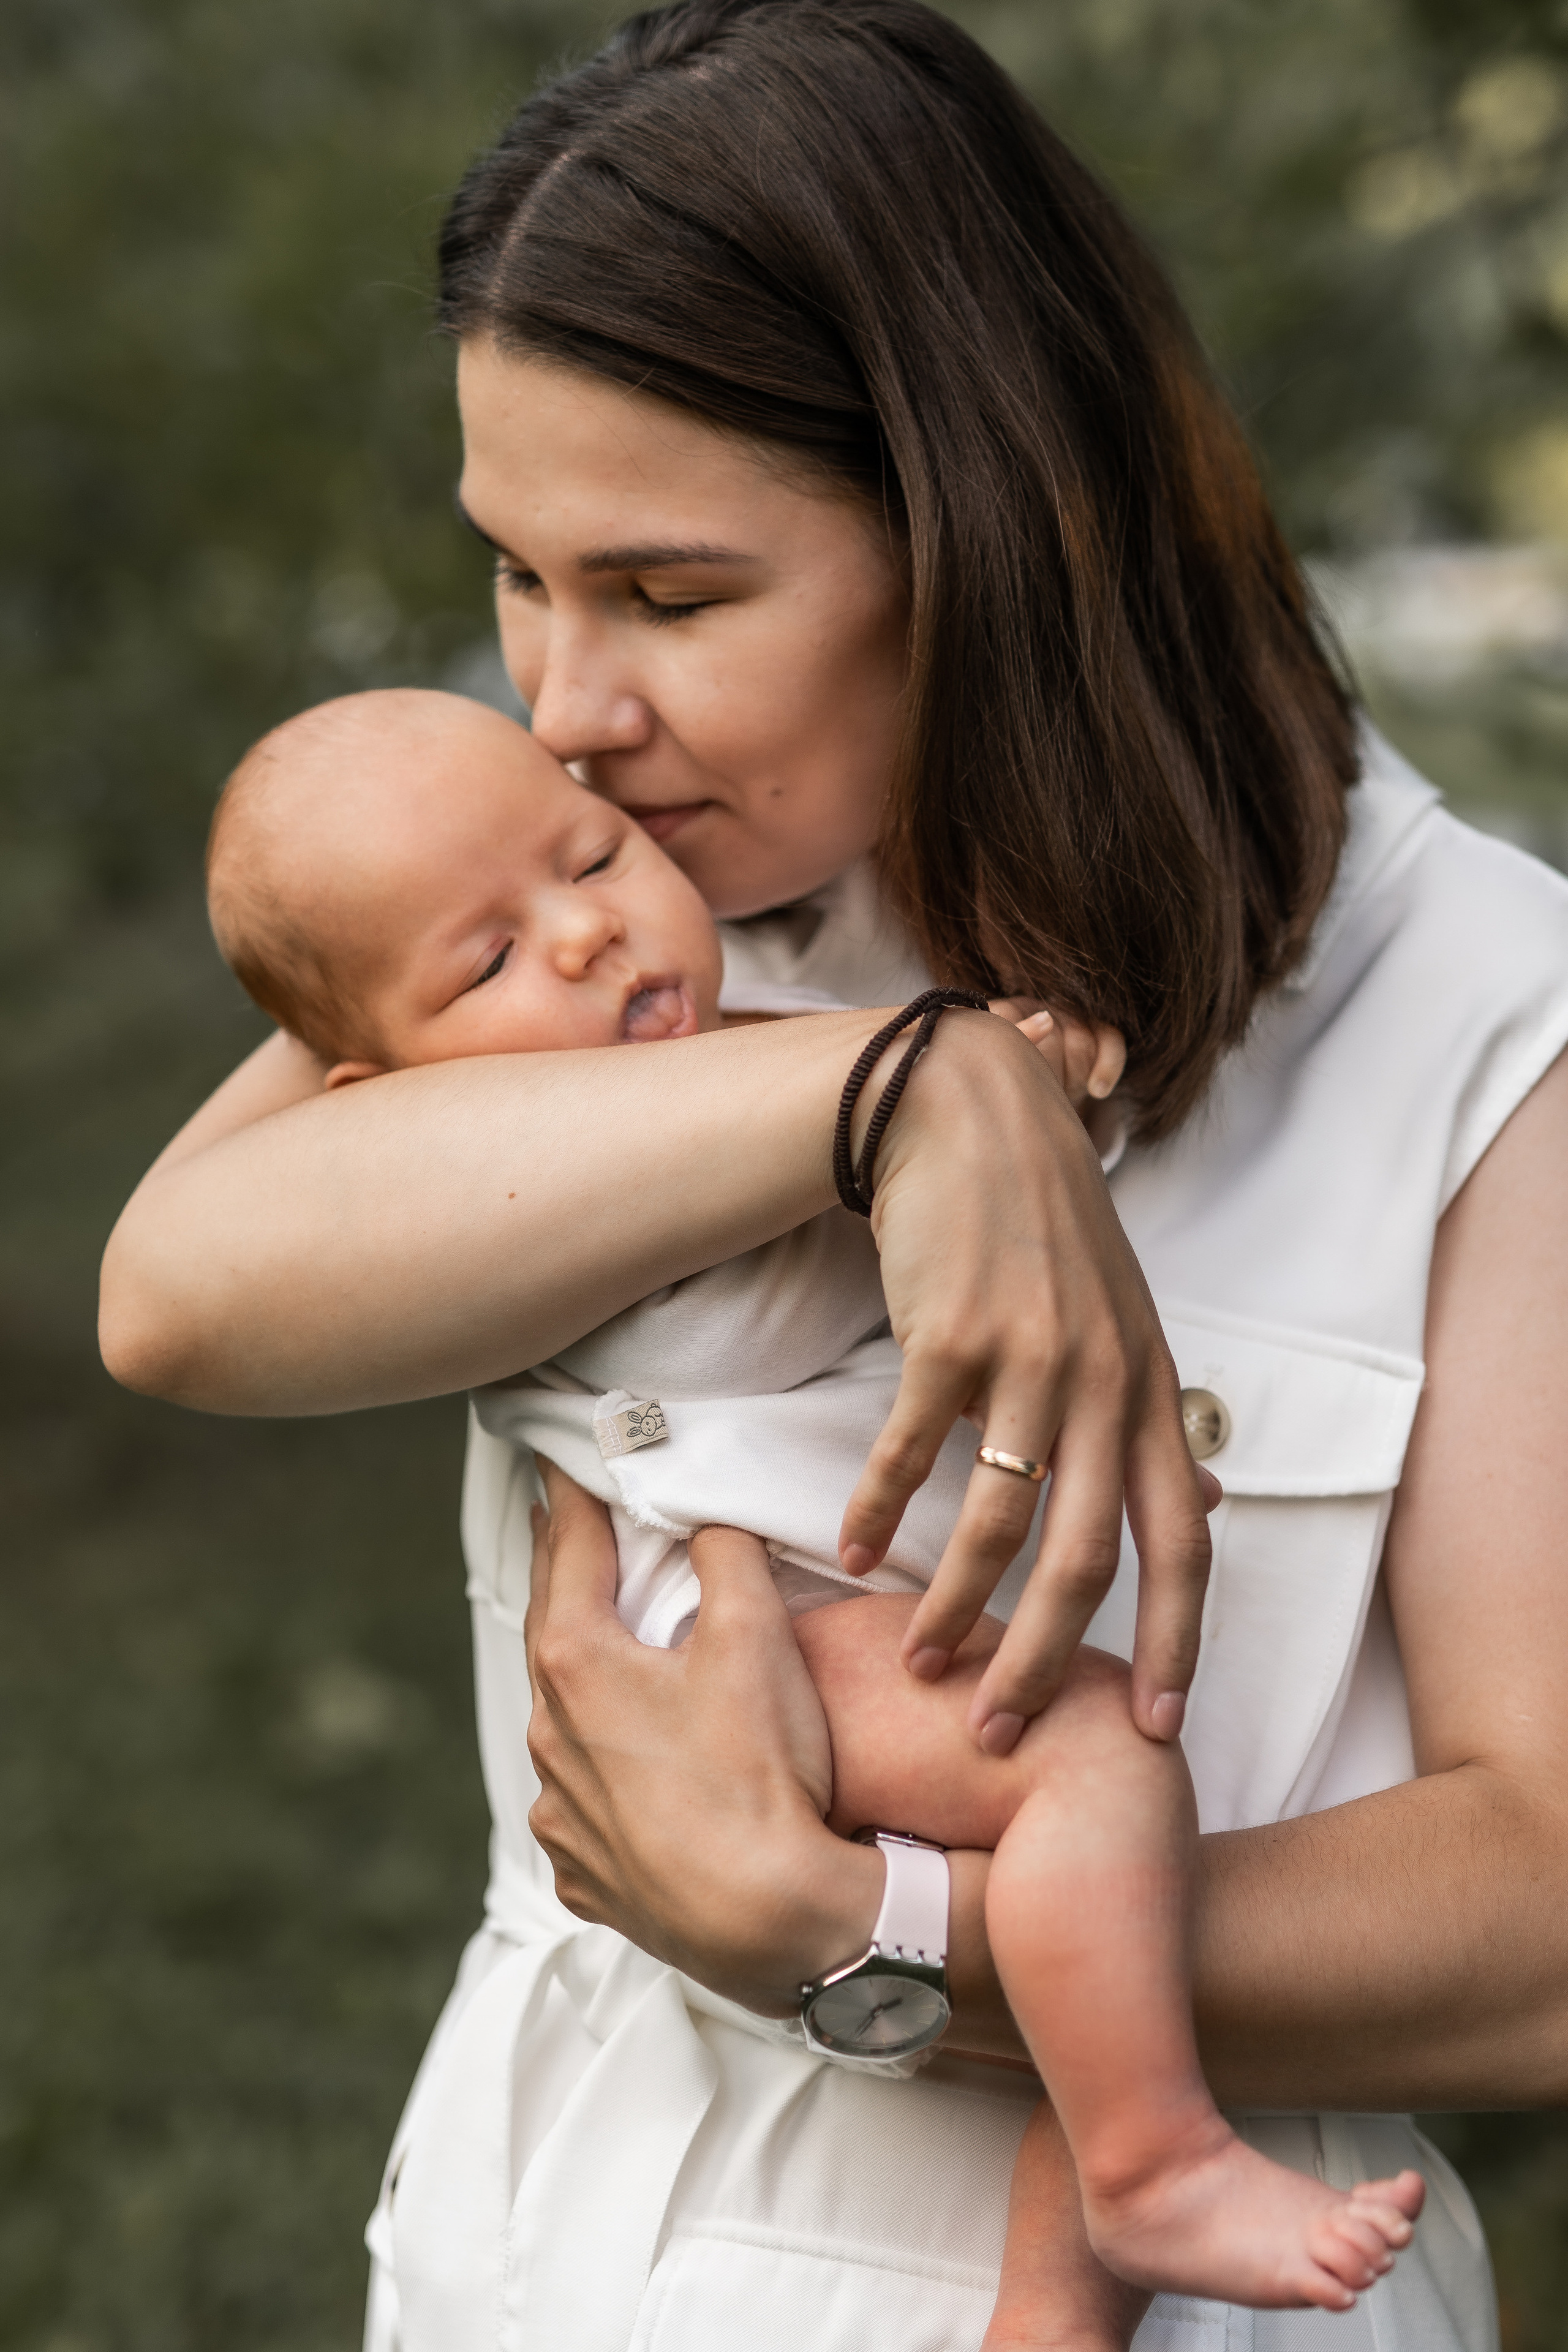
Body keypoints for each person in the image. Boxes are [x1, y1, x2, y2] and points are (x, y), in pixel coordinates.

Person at [97, 4, 1568, 2347]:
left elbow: (1548, 1936)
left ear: (993, 532)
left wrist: (852, 1940)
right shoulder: (599, 913)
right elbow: (184, 1290)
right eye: (519, 574)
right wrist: (891, 1089)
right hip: (533, 2277)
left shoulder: (1485, 1008)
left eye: (667, 598)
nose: (564, 701)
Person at [204, 683, 1426, 2340]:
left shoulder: (750, 1039)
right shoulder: (525, 1169)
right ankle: (1143, 2173)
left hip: (804, 1619)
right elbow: (842, 1194)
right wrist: (954, 1092)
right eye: (486, 961)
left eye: (592, 856)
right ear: (380, 1091)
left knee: (1114, 1904)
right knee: (1100, 1770)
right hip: (724, 1652)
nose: (578, 936)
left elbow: (906, 1140)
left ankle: (1073, 2285)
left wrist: (1015, 1084)